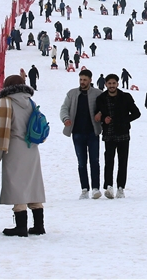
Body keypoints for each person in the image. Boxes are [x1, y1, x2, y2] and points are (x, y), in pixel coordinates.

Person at [0, 75, 46, 236]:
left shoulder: (6, 101)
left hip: (14, 148)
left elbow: (3, 130)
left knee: (17, 185)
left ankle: (21, 226)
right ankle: (39, 226)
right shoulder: (30, 101)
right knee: (33, 185)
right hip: (32, 148)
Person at [94, 74, 141, 199]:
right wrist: (103, 119)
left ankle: (121, 188)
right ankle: (109, 186)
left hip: (123, 134)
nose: (111, 86)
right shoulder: (101, 98)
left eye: (114, 83)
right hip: (109, 134)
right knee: (109, 161)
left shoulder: (125, 97)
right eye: (109, 83)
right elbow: (97, 114)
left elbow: (137, 113)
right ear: (105, 84)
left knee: (123, 161)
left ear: (117, 84)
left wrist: (124, 120)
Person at [60, 70, 104, 200]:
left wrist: (100, 113)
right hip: (77, 133)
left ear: (90, 80)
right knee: (81, 162)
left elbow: (105, 107)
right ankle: (84, 189)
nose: (82, 82)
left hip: (92, 132)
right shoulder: (72, 93)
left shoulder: (98, 93)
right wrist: (66, 119)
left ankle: (95, 188)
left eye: (85, 80)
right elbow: (64, 108)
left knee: (94, 161)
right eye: (81, 79)